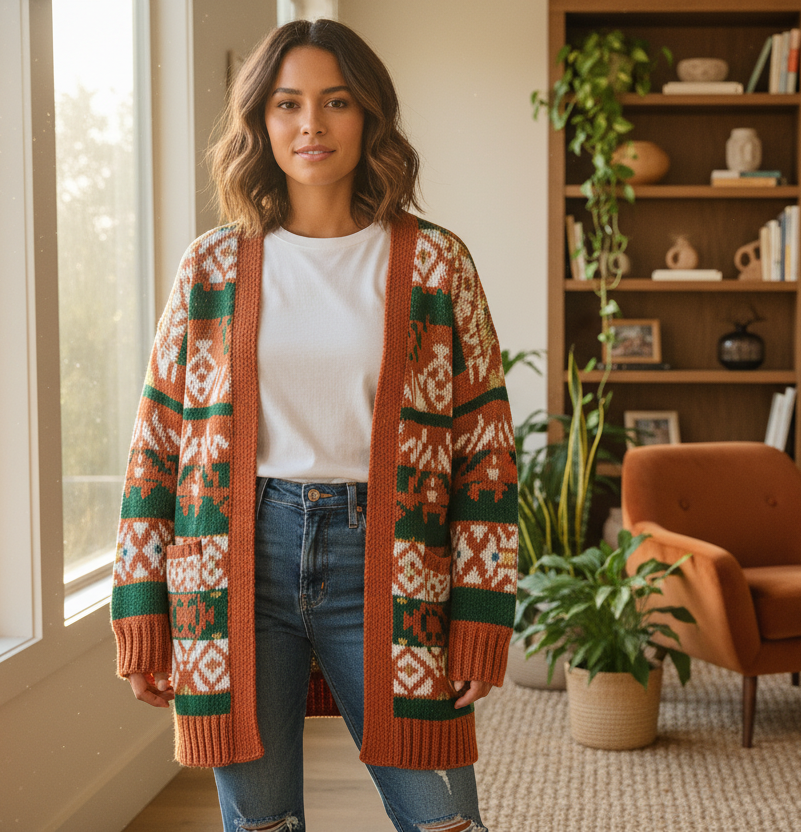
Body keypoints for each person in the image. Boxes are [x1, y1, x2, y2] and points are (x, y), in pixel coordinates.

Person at [110, 18, 517, 832]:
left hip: (394, 563)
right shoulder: (212, 268)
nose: (311, 125)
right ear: (260, 122)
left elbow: (485, 450)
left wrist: (480, 613)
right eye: (288, 104)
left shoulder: (436, 264)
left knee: (445, 821)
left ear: (369, 116)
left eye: (335, 102)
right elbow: (158, 445)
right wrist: (142, 608)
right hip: (231, 565)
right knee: (260, 824)